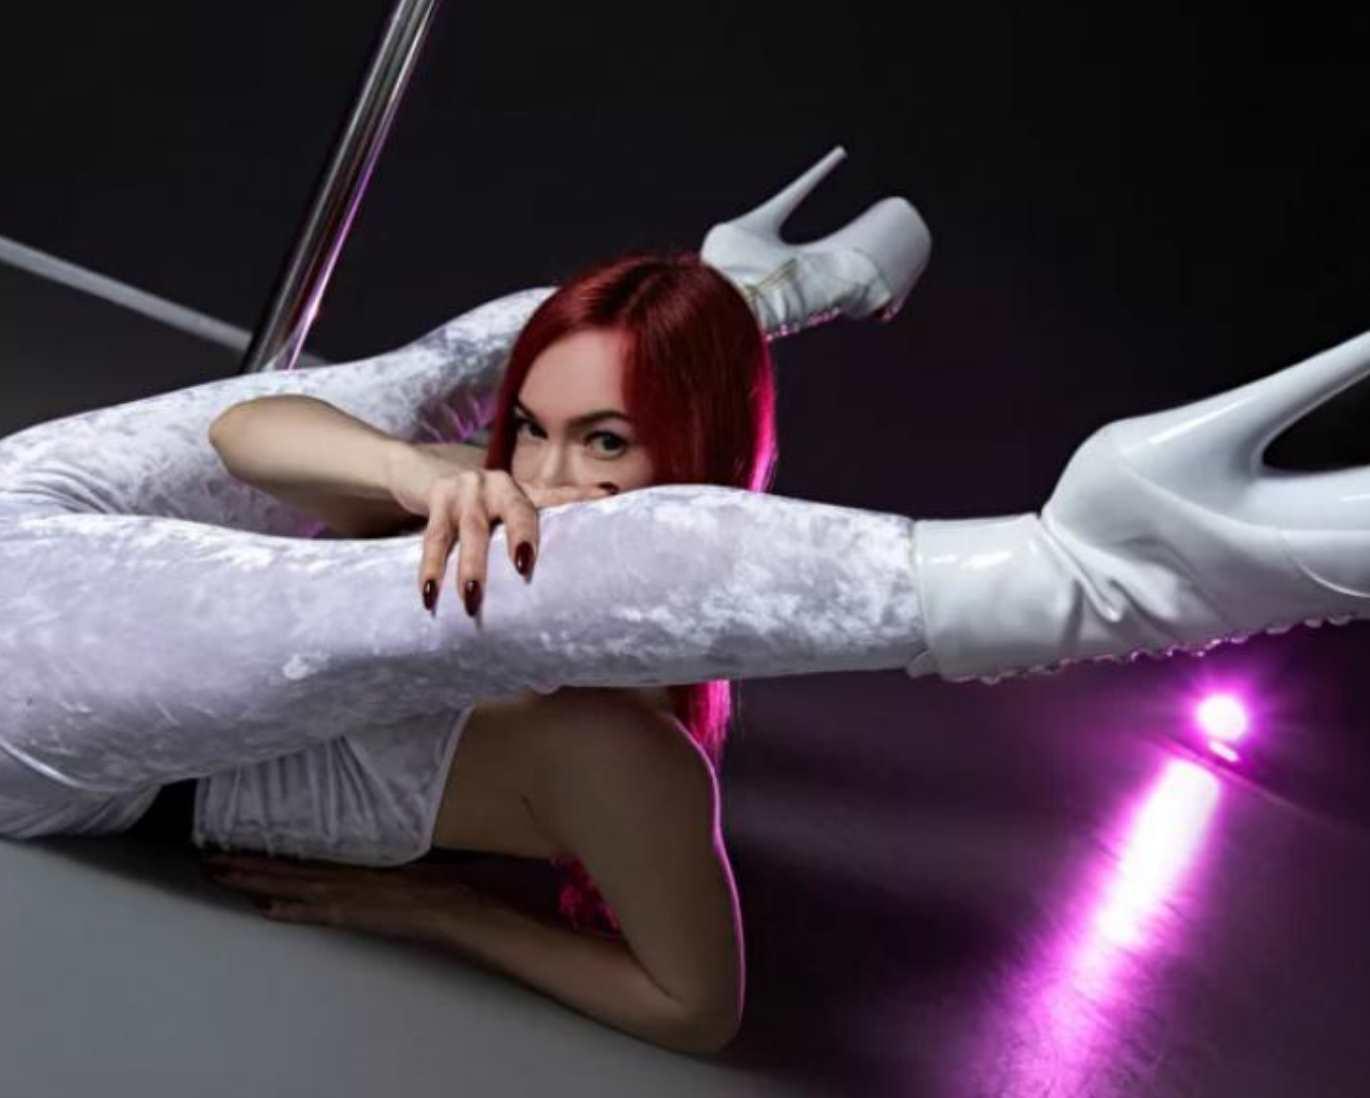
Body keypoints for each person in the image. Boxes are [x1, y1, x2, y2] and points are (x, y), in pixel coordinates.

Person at [2, 144, 1367, 1057]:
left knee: (496, 570)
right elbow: (252, 431)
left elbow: (692, 1004)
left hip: (53, 723)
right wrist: (414, 466)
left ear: (697, 465)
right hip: (37, 529)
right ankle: (744, 295)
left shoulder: (623, 754)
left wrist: (456, 916)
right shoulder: (491, 503)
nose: (545, 477)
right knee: (398, 389)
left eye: (606, 442)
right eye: (533, 429)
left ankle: (1089, 579)